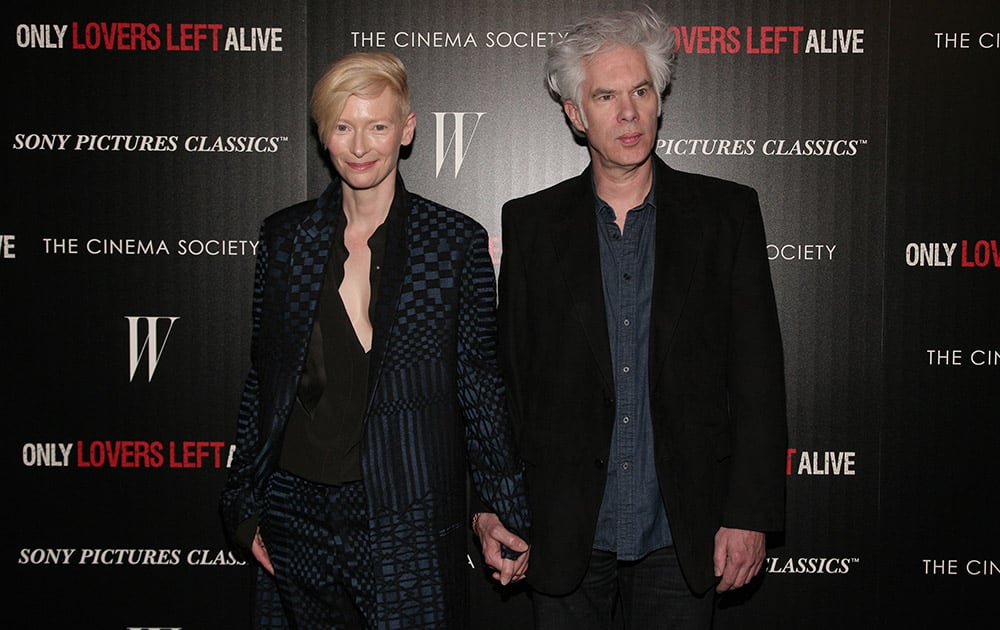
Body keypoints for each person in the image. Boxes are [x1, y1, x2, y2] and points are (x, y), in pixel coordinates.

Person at [497, 6, 787, 629]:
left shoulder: (727, 215)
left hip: (683, 525)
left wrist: (749, 511)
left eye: (641, 90)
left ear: (659, 101)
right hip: (564, 523)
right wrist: (499, 506)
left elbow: (758, 378)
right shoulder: (531, 225)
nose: (628, 112)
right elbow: (511, 382)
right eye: (606, 95)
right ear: (576, 114)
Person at [219, 51, 530, 629]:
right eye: (343, 125)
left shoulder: (454, 243)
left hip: (407, 512)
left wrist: (497, 509)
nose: (360, 145)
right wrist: (244, 505)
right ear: (323, 134)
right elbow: (263, 381)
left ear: (406, 130)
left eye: (378, 126)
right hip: (295, 514)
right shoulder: (285, 239)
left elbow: (480, 387)